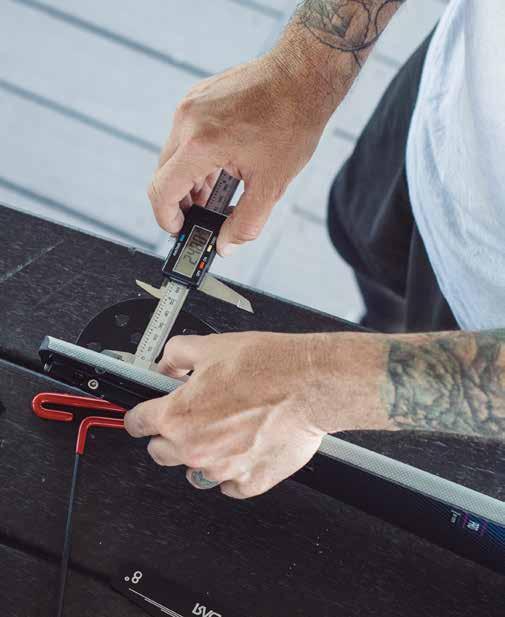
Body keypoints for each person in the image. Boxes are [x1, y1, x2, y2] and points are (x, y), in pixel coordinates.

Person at [124, 0, 505, 499]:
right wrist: (303, 70)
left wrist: (314, 387)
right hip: (444, 108)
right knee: (370, 269)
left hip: (484, 327)